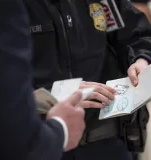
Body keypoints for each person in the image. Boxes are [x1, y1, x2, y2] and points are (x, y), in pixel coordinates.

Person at [25, 0, 151, 160]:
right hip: (44, 144)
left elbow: (138, 34)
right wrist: (56, 94)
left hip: (108, 144)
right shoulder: (8, 9)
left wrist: (141, 59)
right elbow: (2, 85)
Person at [0, 1, 88, 160]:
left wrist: (141, 57)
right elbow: (14, 140)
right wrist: (60, 128)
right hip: (43, 136)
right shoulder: (4, 7)